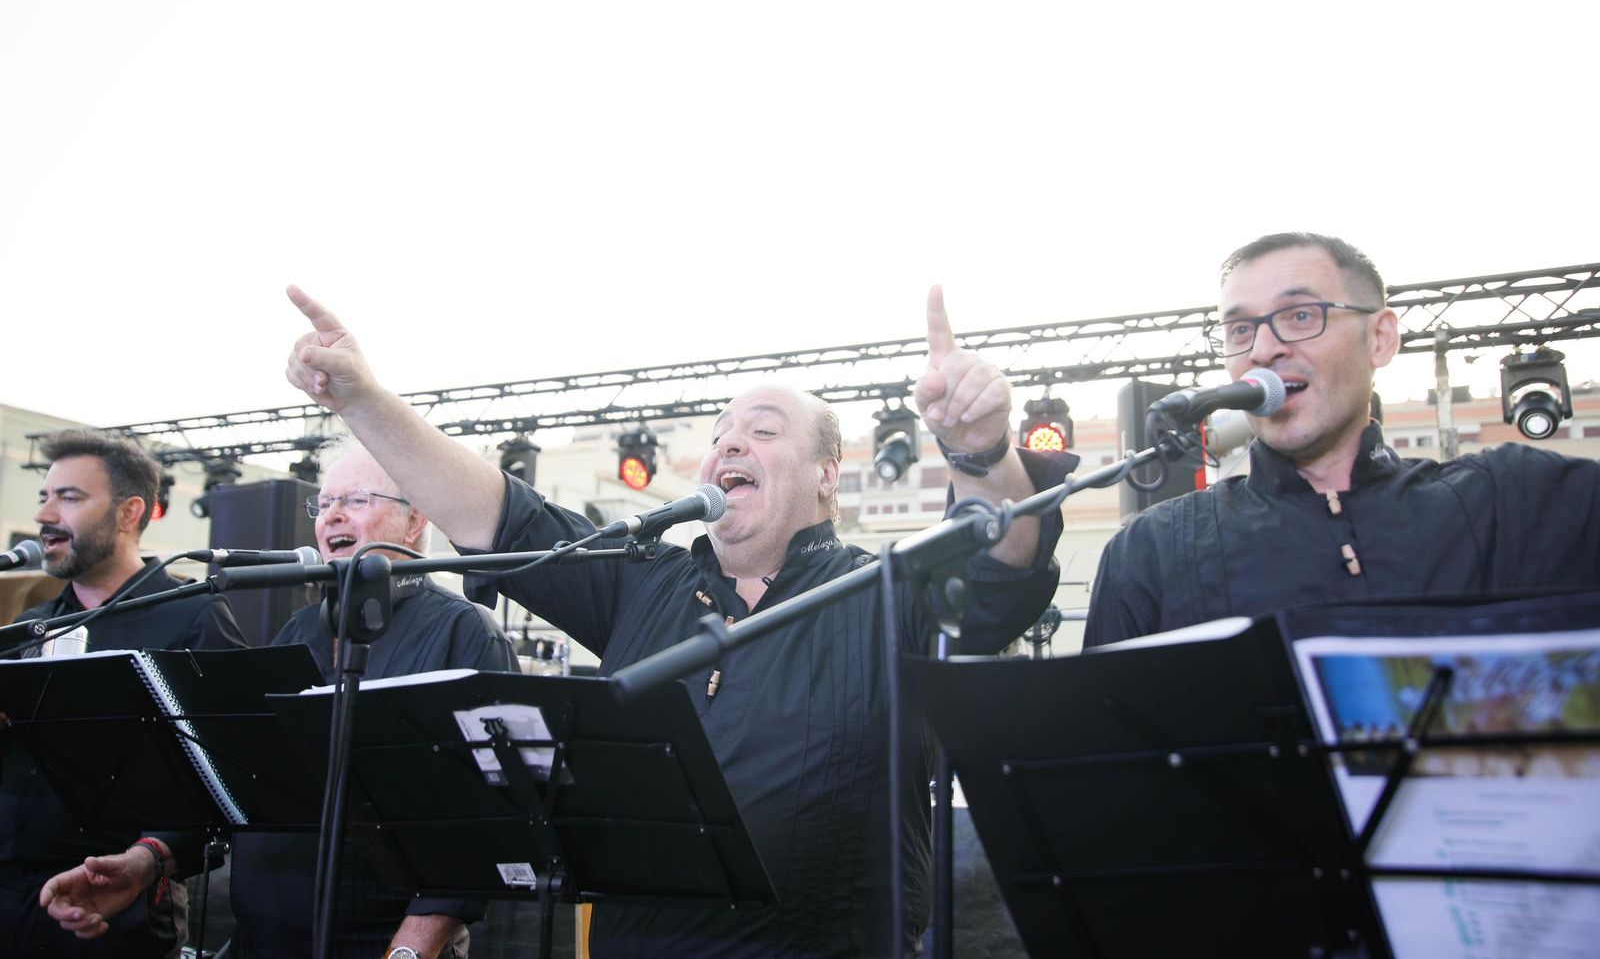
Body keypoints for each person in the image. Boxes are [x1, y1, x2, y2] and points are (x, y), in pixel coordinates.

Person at [273, 283, 1070, 957]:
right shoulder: (642, 583)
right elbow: (500, 517)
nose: (730, 444)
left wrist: (979, 454)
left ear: (828, 476)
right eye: (720, 434)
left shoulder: (881, 592)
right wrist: (364, 402)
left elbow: (1002, 569)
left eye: (762, 431)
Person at [40, 445, 521, 958]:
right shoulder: (299, 629)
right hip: (261, 937)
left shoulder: (462, 632)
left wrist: (411, 949)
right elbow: (236, 781)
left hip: (382, 941)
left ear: (414, 521)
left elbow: (490, 818)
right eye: (325, 503)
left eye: (356, 500)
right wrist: (145, 862)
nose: (332, 514)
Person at [1085, 232, 1600, 646]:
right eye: (1240, 329)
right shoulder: (1149, 551)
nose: (1263, 348)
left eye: (1300, 316)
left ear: (1380, 337)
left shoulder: (1516, 501)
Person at [1, 429, 248, 957]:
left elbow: (234, 772)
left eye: (69, 498)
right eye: (45, 497)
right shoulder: (31, 627)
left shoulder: (193, 615)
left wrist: (149, 859)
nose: (45, 516)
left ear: (129, 512)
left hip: (112, 902)